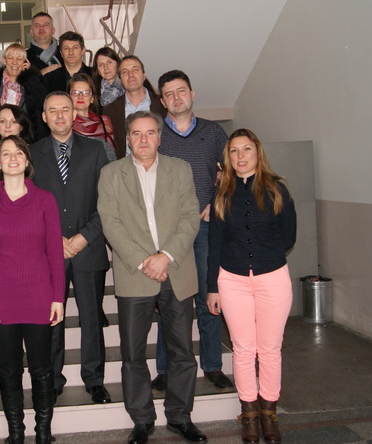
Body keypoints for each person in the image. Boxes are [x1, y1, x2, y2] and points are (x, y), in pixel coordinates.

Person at [98, 112, 207, 444]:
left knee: (182, 351)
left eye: (149, 133)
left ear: (160, 138)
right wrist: (144, 261)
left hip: (176, 271)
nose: (143, 140)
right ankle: (142, 420)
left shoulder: (180, 169)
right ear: (127, 139)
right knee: (133, 353)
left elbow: (190, 217)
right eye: (136, 133)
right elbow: (110, 222)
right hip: (135, 274)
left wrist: (166, 256)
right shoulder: (111, 173)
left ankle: (180, 416)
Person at [206, 129, 296, 444]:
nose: (240, 156)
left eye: (246, 149)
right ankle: (249, 414)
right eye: (234, 151)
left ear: (257, 152)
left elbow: (289, 236)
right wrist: (212, 287)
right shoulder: (222, 193)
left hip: (273, 278)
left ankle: (269, 413)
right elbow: (214, 244)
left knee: (269, 349)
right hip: (232, 280)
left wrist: (263, 257)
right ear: (228, 158)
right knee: (243, 349)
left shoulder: (277, 189)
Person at [0, 135, 66, 444]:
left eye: (18, 153)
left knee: (42, 369)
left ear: (27, 161)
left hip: (39, 298)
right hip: (2, 301)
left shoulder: (45, 200)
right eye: (5, 154)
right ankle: (16, 432)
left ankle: (43, 432)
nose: (12, 158)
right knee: (10, 370)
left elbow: (55, 253)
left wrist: (58, 297)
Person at [152, 70, 232, 394]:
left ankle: (212, 365)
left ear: (192, 93)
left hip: (205, 228)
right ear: (162, 101)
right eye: (169, 93)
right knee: (169, 302)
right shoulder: (156, 133)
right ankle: (165, 368)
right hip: (169, 233)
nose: (176, 97)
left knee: (208, 296)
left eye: (181, 91)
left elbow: (232, 172)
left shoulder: (214, 133)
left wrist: (216, 201)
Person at [30, 92, 111, 405]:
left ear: (74, 113)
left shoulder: (96, 150)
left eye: (65, 109)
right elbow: (29, 205)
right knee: (53, 319)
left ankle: (95, 379)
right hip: (49, 252)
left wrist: (84, 237)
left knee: (91, 319)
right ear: (44, 117)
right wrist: (53, 239)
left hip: (88, 247)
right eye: (53, 110)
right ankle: (52, 379)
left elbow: (107, 201)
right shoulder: (32, 153)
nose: (60, 115)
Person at [103, 55, 165, 158]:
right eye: (125, 72)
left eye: (135, 70)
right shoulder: (110, 110)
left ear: (143, 75)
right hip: (125, 165)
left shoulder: (163, 104)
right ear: (120, 80)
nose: (130, 75)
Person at [0, 42, 49, 141]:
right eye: (10, 58)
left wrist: (29, 76)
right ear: (4, 61)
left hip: (28, 137)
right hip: (0, 136)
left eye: (19, 59)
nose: (14, 63)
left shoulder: (33, 81)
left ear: (25, 62)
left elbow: (42, 101)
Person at [68, 73, 117, 162]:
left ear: (92, 98)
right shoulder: (65, 123)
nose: (80, 97)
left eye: (86, 93)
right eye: (75, 93)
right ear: (69, 97)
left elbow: (111, 157)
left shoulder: (104, 122)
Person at [0, 104, 32, 191]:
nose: (7, 126)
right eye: (2, 121)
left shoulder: (33, 152)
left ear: (21, 126)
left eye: (14, 122)